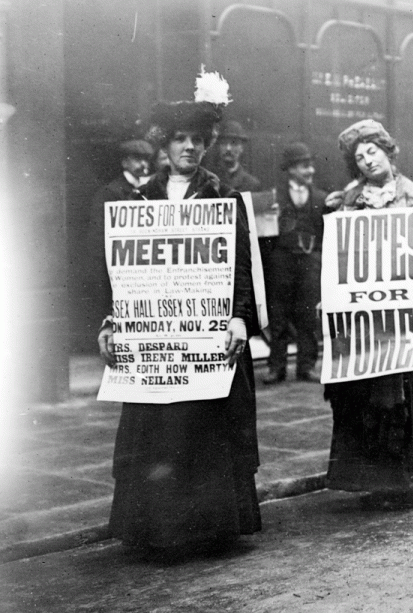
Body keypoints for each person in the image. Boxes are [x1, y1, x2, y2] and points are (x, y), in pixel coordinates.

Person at [97, 69, 261, 556]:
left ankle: (206, 529)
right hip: (157, 339)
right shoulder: (137, 200)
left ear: (208, 144)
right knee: (158, 431)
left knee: (203, 430)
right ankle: (155, 529)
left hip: (207, 336)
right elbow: (120, 273)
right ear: (164, 146)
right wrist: (110, 320)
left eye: (197, 139)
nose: (189, 147)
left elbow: (242, 268)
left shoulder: (224, 198)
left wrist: (240, 317)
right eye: (179, 139)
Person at [322, 119, 413, 505]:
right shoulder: (347, 203)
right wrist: (331, 294)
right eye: (359, 157)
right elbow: (337, 260)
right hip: (365, 320)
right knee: (366, 395)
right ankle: (374, 480)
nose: (368, 161)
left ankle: (406, 476)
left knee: (410, 392)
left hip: (409, 315)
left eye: (373, 151)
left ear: (388, 152)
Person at [264, 142, 327, 384]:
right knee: (278, 315)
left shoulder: (321, 198)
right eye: (304, 166)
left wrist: (317, 256)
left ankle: (306, 366)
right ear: (290, 169)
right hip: (282, 262)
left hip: (310, 262)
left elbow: (325, 233)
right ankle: (276, 367)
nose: (310, 170)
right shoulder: (274, 197)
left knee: (309, 316)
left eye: (311, 165)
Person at [87, 139, 155, 340]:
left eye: (146, 159)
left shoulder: (152, 191)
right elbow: (97, 243)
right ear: (125, 162)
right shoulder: (109, 193)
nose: (143, 164)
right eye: (137, 159)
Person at [206, 119, 261, 194]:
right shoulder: (207, 180)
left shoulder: (252, 184)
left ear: (241, 148)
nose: (228, 148)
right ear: (218, 146)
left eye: (234, 143)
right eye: (224, 143)